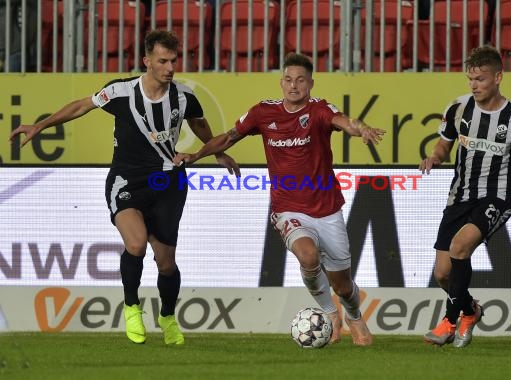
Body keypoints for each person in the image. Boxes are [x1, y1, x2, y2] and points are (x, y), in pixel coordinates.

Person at [9, 30, 240, 345]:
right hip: (127, 179)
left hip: (168, 182)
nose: (170, 67)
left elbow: (199, 124)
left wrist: (218, 151)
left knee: (166, 262)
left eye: (174, 60)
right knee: (136, 244)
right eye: (163, 61)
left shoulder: (184, 97)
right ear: (147, 61)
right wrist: (41, 124)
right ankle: (132, 306)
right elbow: (80, 106)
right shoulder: (120, 92)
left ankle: (168, 317)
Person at [174, 52, 385, 346]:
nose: (293, 85)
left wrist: (361, 129)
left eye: (300, 80)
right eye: (288, 79)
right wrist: (197, 155)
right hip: (288, 208)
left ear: (310, 83)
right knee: (308, 256)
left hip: (327, 209)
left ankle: (353, 314)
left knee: (344, 284)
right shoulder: (263, 113)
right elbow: (229, 136)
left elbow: (344, 121)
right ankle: (328, 312)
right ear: (281, 82)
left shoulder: (319, 110)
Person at [419, 45, 511, 348]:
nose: (474, 85)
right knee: (443, 274)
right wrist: (435, 157)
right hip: (459, 197)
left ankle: (449, 321)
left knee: (459, 247)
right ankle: (471, 311)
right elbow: (444, 145)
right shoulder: (458, 108)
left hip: (496, 198)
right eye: (470, 79)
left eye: (480, 79)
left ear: (498, 77)